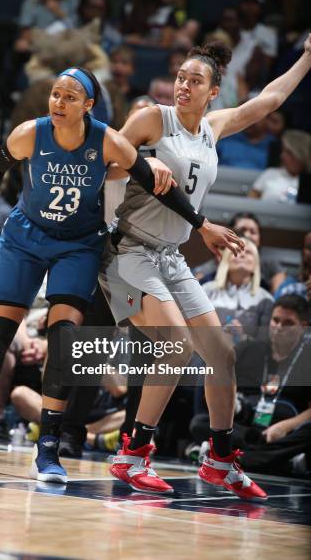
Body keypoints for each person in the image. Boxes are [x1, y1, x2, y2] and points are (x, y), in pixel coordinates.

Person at [0, 67, 239, 482]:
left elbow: (157, 183)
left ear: (89, 106)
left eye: (70, 97)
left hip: (78, 245)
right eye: (55, 95)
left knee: (64, 342)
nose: (59, 103)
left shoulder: (108, 141)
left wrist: (200, 222)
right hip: (26, 237)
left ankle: (48, 445)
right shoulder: (31, 133)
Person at [101, 34, 311, 500]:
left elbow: (270, 99)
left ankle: (220, 458)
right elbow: (106, 156)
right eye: (180, 77)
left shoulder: (212, 128)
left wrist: (308, 59)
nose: (183, 86)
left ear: (214, 90)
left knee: (222, 355)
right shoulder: (154, 118)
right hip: (129, 250)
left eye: (195, 80)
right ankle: (133, 453)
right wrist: (133, 168)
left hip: (171, 258)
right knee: (175, 347)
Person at [190, 295, 311, 476]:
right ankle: (280, 460)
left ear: (303, 326)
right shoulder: (251, 348)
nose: (278, 328)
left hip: (283, 426)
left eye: (287, 323)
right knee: (200, 423)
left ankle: (239, 457)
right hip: (248, 425)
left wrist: (286, 426)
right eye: (275, 320)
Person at [202, 237, 274, 340]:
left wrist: (243, 338)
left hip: (247, 354)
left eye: (249, 252)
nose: (243, 254)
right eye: (237, 251)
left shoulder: (266, 300)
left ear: (256, 264)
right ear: (225, 259)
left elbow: (264, 343)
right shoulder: (206, 291)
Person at [248, 129, 311, 202]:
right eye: (283, 151)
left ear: (301, 154)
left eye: (289, 153)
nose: (282, 156)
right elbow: (249, 206)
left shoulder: (308, 183)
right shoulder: (270, 173)